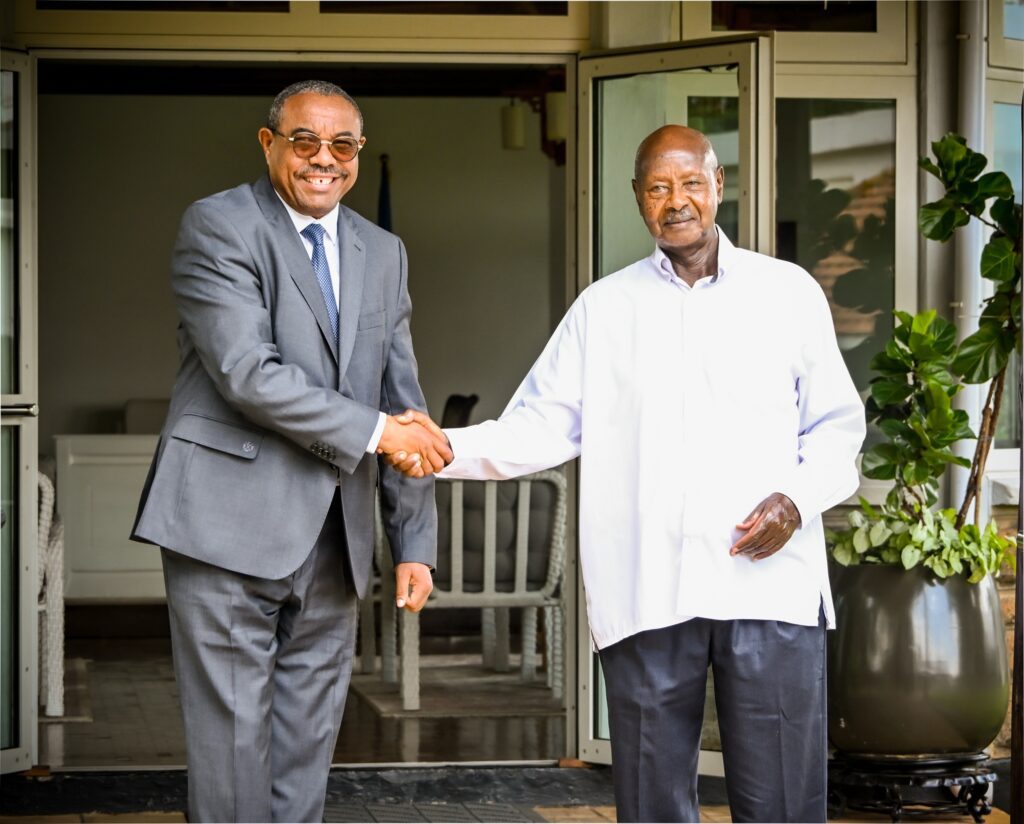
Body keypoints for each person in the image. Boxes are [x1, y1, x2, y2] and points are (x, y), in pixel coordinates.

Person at [392, 125, 866, 822]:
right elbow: (538, 428)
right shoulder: (604, 309)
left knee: (783, 805)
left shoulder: (786, 293)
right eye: (659, 187)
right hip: (648, 588)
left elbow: (838, 427)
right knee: (650, 805)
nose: (677, 201)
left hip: (768, 588)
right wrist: (439, 447)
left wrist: (795, 500)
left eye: (691, 183)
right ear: (638, 197)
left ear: (718, 186)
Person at [131, 79, 450, 823]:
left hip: (337, 537)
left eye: (343, 144)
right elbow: (248, 373)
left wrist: (414, 542)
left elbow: (403, 399)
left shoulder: (383, 251)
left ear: (359, 152)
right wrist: (379, 433)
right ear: (269, 142)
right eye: (305, 140)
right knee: (233, 749)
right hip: (226, 527)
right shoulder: (221, 225)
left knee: (307, 749)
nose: (324, 158)